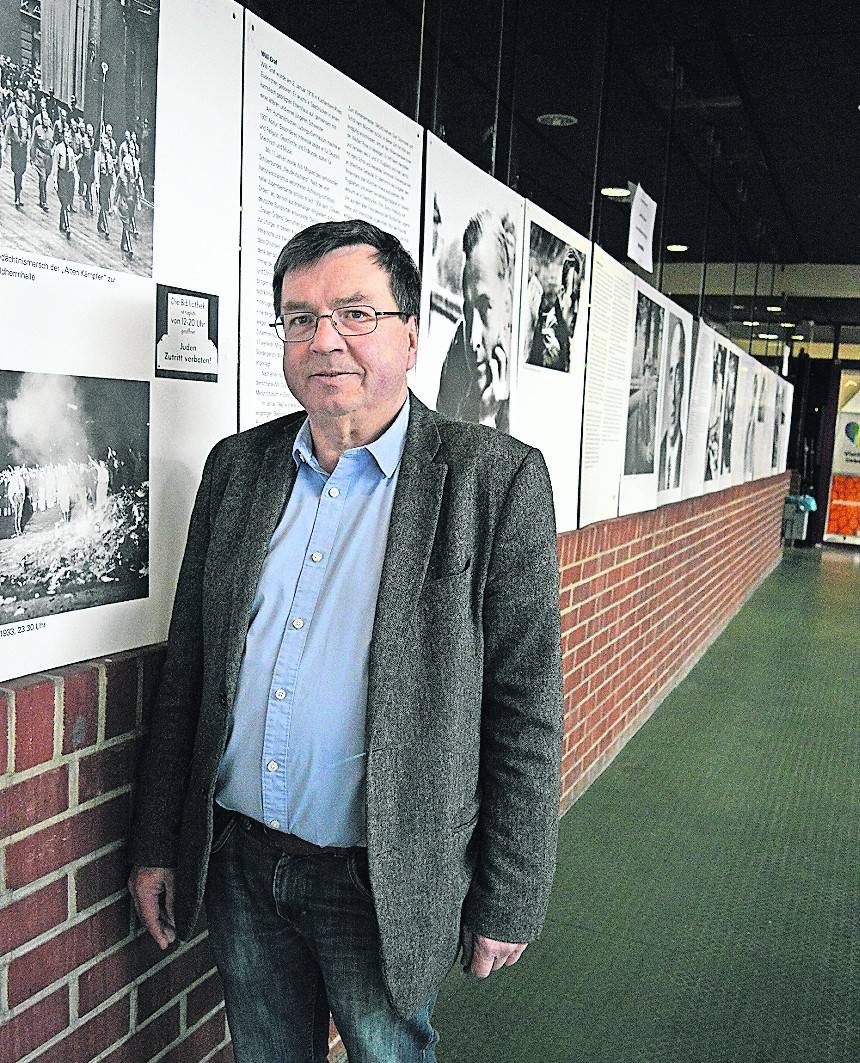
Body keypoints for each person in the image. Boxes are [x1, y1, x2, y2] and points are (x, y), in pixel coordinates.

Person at [129, 219, 563, 1062]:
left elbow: (524, 709)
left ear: (409, 332)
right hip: (240, 861)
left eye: (354, 313)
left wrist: (510, 893)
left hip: (382, 876)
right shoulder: (236, 469)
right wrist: (156, 839)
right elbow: (190, 672)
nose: (324, 340)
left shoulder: (493, 481)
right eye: (299, 318)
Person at [435, 209, 516, 432]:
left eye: (483, 307)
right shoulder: (456, 356)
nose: (473, 339)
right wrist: (486, 417)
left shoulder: (525, 381)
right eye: (468, 311)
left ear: (507, 304)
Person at [657, 317, 686, 491]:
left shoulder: (689, 457)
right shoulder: (655, 456)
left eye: (679, 374)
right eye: (671, 374)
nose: (674, 391)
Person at [3, 99, 29, 208]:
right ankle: (17, 195)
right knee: (17, 172)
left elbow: (28, 135)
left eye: (20, 109)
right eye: (17, 109)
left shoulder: (24, 121)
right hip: (15, 148)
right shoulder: (10, 120)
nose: (19, 111)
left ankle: (19, 190)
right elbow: (7, 135)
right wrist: (4, 149)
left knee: (22, 171)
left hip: (23, 149)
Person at [52, 126, 78, 238]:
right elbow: (55, 165)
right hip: (61, 176)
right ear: (63, 137)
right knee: (63, 200)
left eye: (69, 137)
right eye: (66, 137)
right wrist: (54, 180)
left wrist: (76, 177)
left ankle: (61, 223)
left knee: (67, 201)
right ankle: (67, 226)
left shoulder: (71, 151)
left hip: (69, 176)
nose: (68, 139)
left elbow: (73, 165)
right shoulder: (59, 149)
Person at [30, 104, 53, 211]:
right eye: (44, 119)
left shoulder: (51, 132)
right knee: (43, 178)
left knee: (45, 179)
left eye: (47, 119)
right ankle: (44, 201)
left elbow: (53, 145)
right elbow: (33, 143)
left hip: (48, 158)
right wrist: (32, 157)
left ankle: (41, 196)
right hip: (40, 156)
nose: (46, 121)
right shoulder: (37, 130)